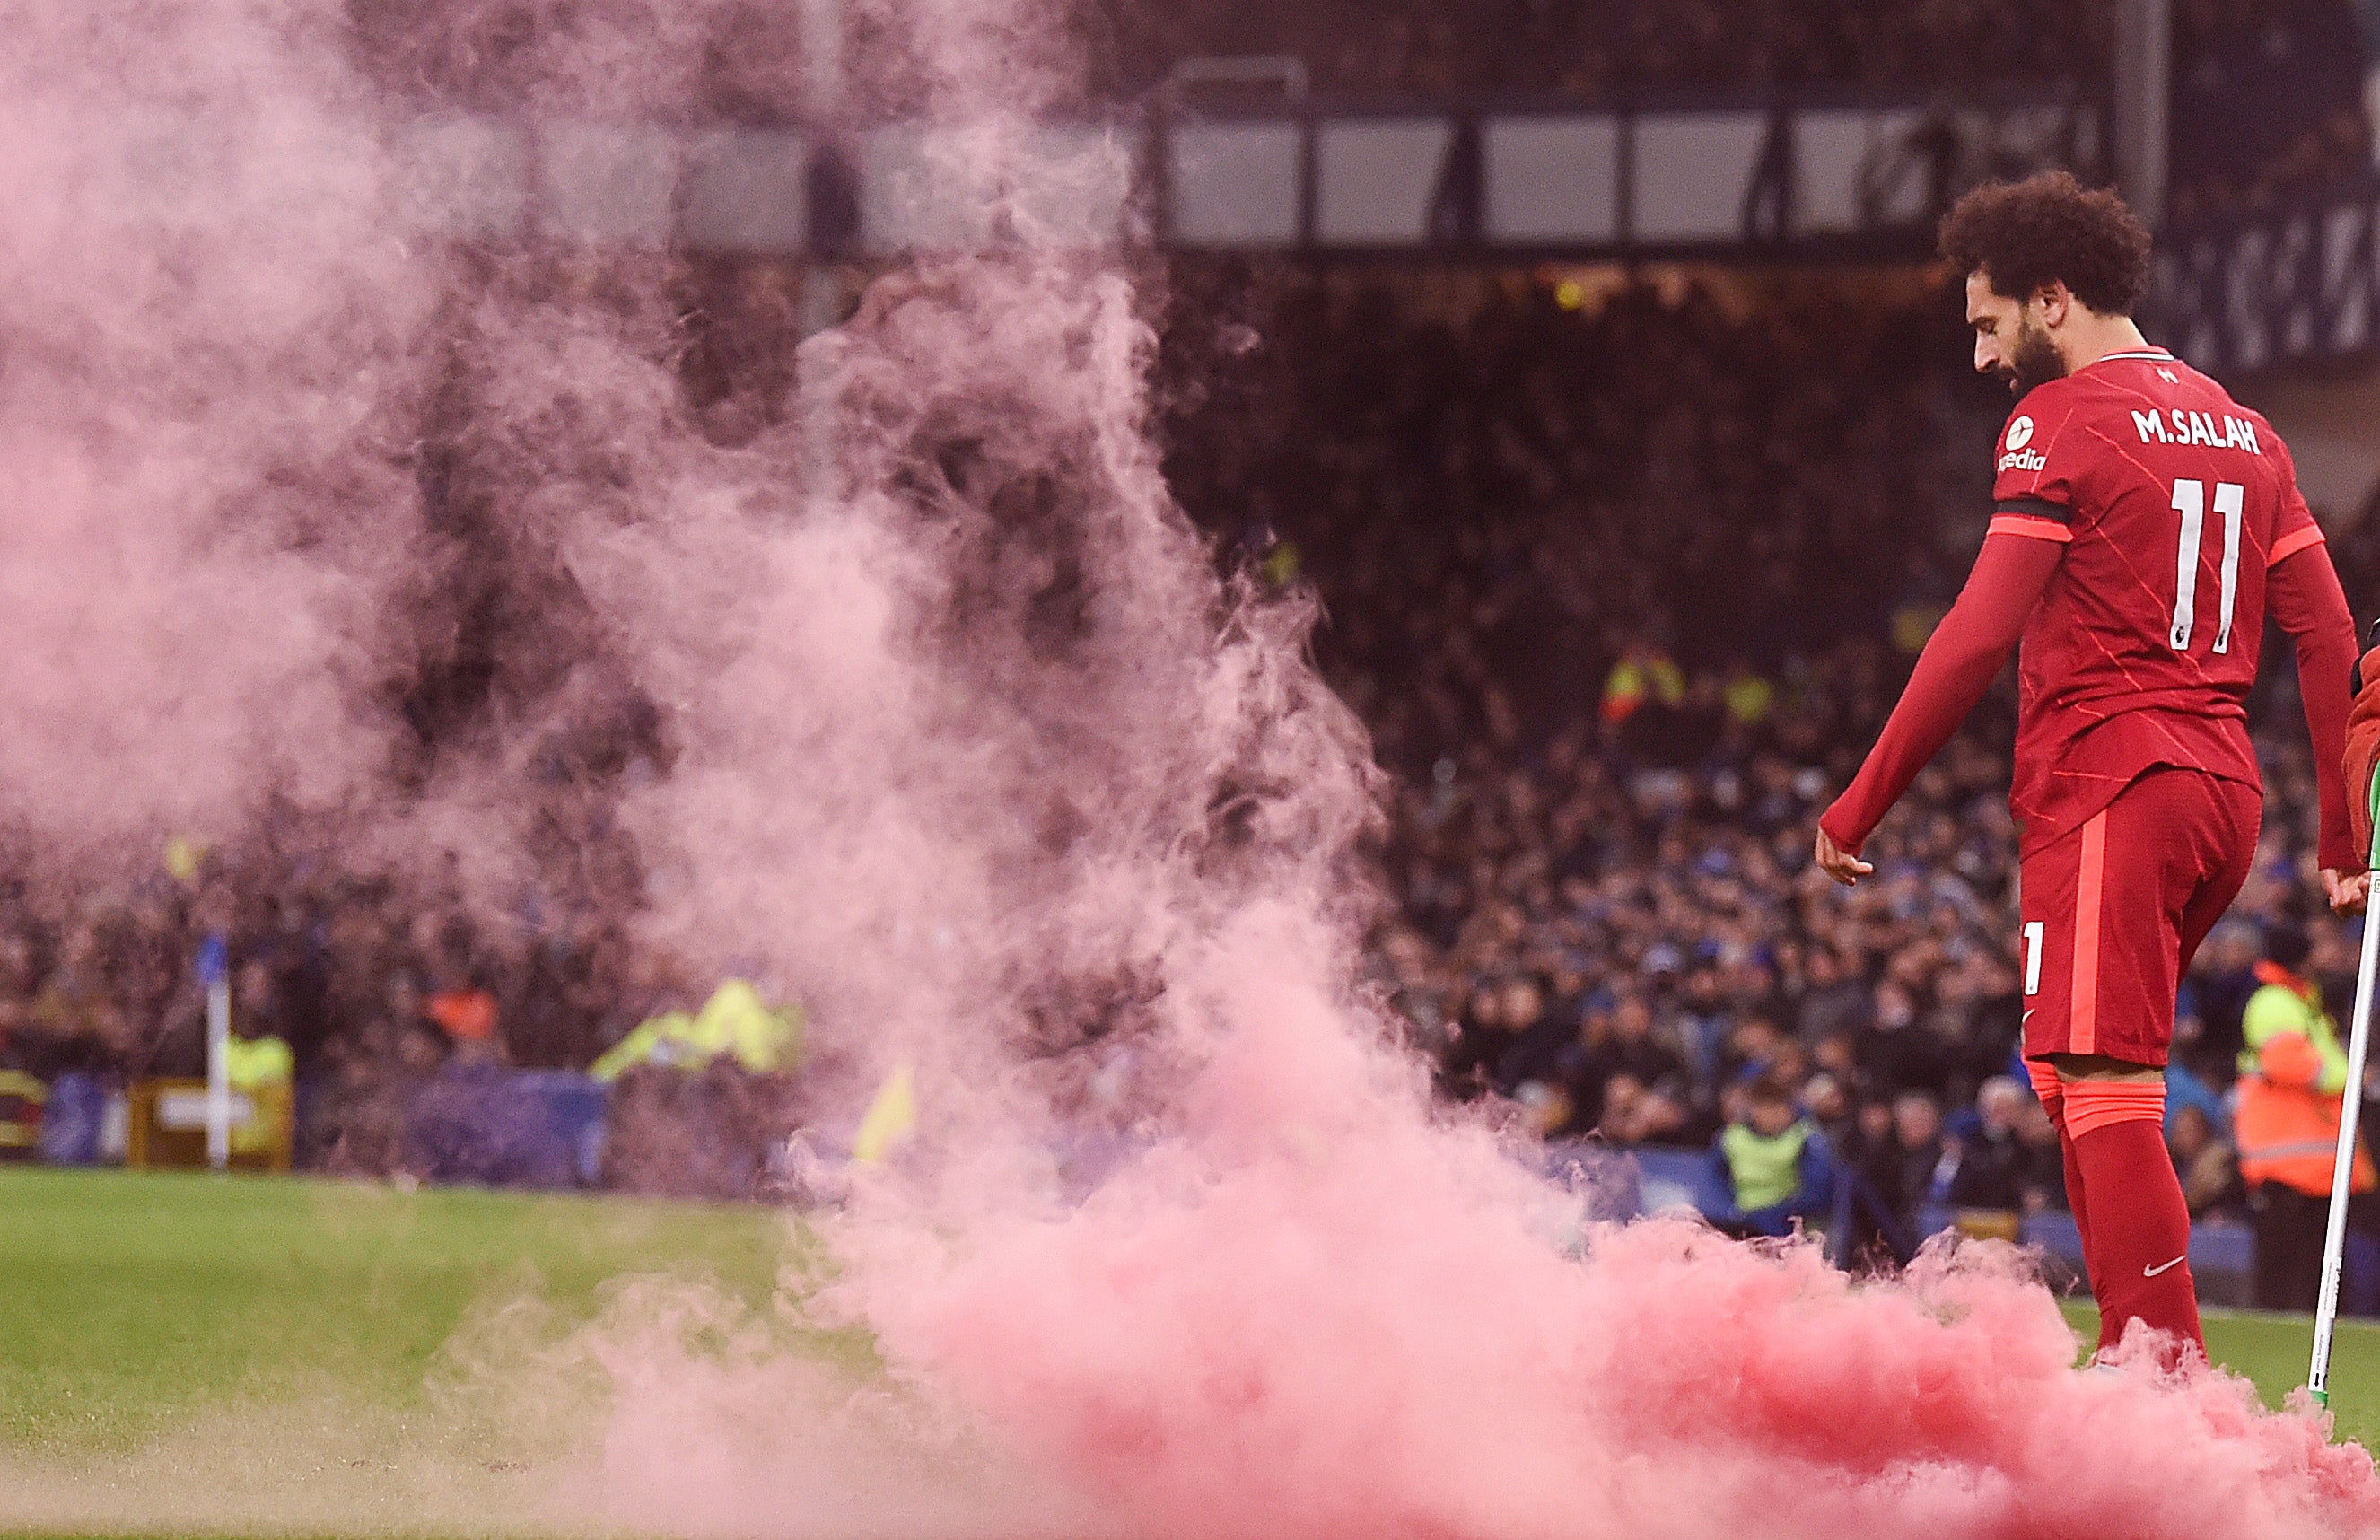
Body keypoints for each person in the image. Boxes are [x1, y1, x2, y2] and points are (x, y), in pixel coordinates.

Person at [1813, 171, 2363, 1366]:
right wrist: (2341, 838)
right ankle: (2134, 1363)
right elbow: (2326, 636)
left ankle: (2160, 1395)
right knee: (2072, 1076)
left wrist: (1860, 803)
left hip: (2113, 783)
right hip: (2221, 794)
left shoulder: (2059, 422)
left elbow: (1974, 634)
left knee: (2105, 1083)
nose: (1980, 358)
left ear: (2050, 301)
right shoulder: (2247, 429)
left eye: (1988, 323)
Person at [2235, 923, 2376, 1309]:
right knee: (2284, 1274)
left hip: (2310, 1167)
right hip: (2287, 1165)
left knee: (2312, 1270)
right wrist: (2351, 1076)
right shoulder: (2276, 1003)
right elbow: (2293, 1066)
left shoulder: (2297, 1002)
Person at [1701, 1075, 1837, 1239]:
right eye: (1765, 1108)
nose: (1772, 1115)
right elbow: (1715, 1181)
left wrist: (1777, 1213)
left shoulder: (1805, 1139)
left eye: (1778, 1107)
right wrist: (1731, 1211)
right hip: (1739, 1220)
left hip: (1785, 1224)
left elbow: (1818, 1194)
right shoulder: (1731, 1137)